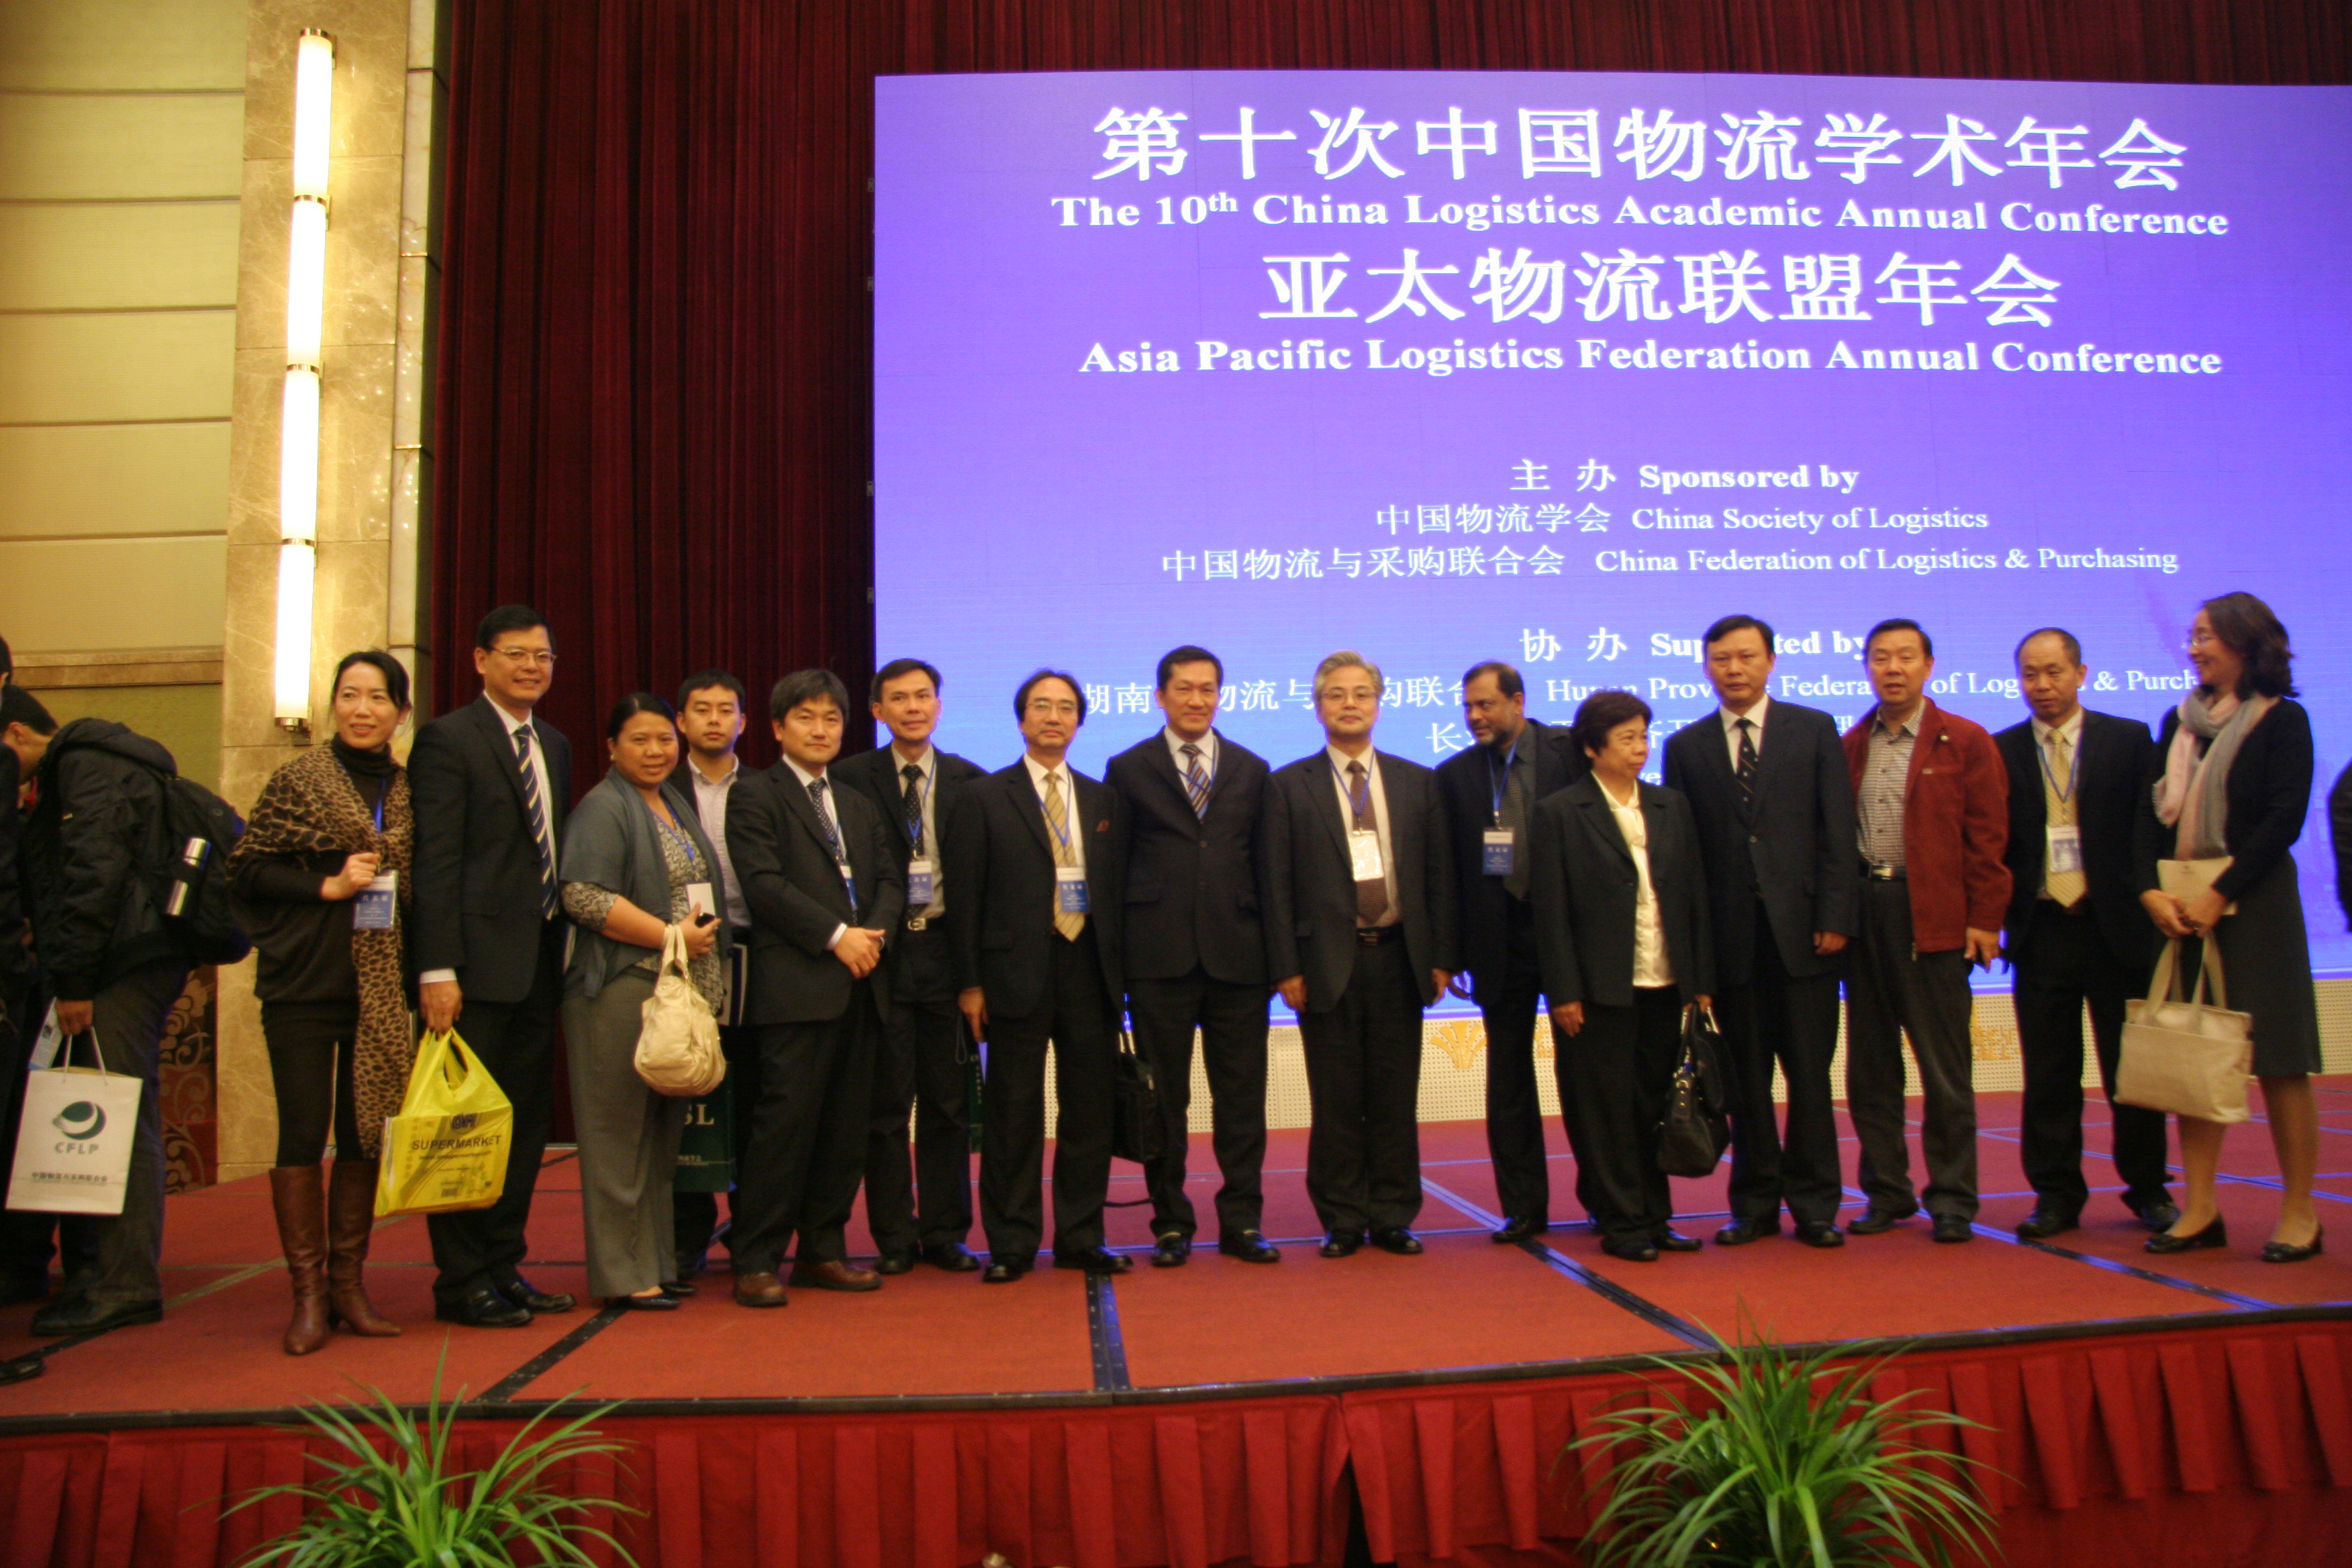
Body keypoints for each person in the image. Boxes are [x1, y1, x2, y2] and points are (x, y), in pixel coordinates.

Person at [226, 651, 417, 1353]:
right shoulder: (299, 780)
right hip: (303, 983)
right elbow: (247, 869)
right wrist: (327, 885)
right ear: (333, 703)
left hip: (377, 990)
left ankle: (348, 1287)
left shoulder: (410, 792)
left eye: (378, 697)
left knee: (365, 1135)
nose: (362, 710)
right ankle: (307, 1295)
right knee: (303, 1132)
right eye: (349, 695)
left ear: (402, 712)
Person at [1661, 617, 1856, 1250]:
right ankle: (1754, 1205)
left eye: (1746, 656)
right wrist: (1696, 958)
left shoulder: (1814, 729)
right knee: (1745, 1085)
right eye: (1722, 659)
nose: (1734, 669)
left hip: (1806, 939)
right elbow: (1684, 860)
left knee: (1810, 1080)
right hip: (1732, 946)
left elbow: (1837, 829)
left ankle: (1816, 1206)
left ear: (1771, 661)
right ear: (1706, 666)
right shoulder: (1687, 747)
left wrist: (1835, 916)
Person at [2141, 593, 2324, 1261]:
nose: (2193, 648)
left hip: (2257, 905)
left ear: (2246, 643)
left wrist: (2223, 892)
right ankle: (2199, 1208)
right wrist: (2149, 891)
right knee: (2193, 1056)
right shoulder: (2178, 722)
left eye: (2206, 636)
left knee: (2280, 1059)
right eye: (2191, 636)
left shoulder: (2283, 720)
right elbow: (2148, 816)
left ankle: (2300, 1211)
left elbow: (2284, 818)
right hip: (2183, 908)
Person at [407, 605, 577, 1328]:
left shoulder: (554, 744)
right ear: (480, 660)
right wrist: (436, 968)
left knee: (524, 1128)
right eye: (517, 654)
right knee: (465, 1127)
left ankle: (504, 1264)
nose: (532, 666)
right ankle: (461, 1279)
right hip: (472, 972)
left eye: (543, 656)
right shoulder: (448, 739)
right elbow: (435, 862)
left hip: (539, 964)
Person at [14, 699, 202, 1334]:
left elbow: (93, 875)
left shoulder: (84, 767)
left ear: (16, 733)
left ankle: (126, 1285)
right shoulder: (112, 758)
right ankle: (111, 1277)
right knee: (123, 1114)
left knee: (117, 1121)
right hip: (140, 955)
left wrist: (74, 979)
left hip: (122, 961)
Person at [1262, 652, 1456, 1259]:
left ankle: (1394, 1215)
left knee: (1396, 1096)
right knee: (1337, 1098)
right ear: (1317, 707)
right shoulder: (1287, 786)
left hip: (1400, 957)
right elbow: (1275, 885)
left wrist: (1442, 957)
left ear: (1378, 703)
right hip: (1325, 963)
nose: (1350, 704)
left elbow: (1439, 876)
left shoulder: (1418, 781)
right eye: (1336, 694)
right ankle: (1342, 1218)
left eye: (1362, 693)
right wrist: (1286, 967)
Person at [726, 671, 903, 1306]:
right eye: (806, 717)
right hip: (797, 986)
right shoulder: (754, 794)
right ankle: (756, 1258)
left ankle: (823, 1251)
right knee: (784, 1127)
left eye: (832, 719)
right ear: (778, 728)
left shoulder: (855, 801)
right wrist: (836, 937)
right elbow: (763, 884)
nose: (821, 730)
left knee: (844, 1129)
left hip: (862, 982)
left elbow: (889, 880)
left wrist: (870, 938)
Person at [945, 671, 1129, 1281]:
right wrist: (970, 983)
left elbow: (1117, 893)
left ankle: (1081, 1236)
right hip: (1011, 973)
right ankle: (1012, 1243)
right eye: (1041, 707)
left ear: (1079, 721)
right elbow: (965, 898)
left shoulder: (1103, 799)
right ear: (1022, 719)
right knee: (1012, 1114)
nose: (1054, 717)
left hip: (1088, 969)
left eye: (1066, 708)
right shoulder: (982, 797)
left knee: (1089, 1114)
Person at [1998, 630, 2175, 1240]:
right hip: (2042, 929)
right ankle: (2055, 1195)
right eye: (2030, 674)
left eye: (2053, 672)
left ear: (2081, 673)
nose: (2042, 685)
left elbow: (2149, 831)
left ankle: (2148, 1189)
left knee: (2132, 1071)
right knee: (2050, 1073)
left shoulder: (2129, 740)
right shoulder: (2003, 749)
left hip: (2116, 928)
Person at [1106, 646, 1280, 1267]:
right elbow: (1113, 869)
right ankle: (1171, 1224)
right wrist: (1116, 969)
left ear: (1220, 696)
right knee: (1163, 1103)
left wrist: (1280, 960)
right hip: (1159, 959)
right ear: (1161, 696)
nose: (1197, 699)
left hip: (1240, 957)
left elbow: (1269, 870)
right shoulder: (1128, 768)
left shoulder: (1252, 769)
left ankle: (1243, 1223)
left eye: (1208, 689)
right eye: (1184, 688)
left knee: (1242, 1100)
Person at [557, 694, 729, 1309]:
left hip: (667, 989)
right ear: (611, 747)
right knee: (617, 1142)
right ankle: (623, 1275)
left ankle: (655, 1261)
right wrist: (668, 936)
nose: (655, 751)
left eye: (664, 739)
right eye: (639, 740)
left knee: (658, 1143)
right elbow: (583, 896)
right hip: (617, 989)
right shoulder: (603, 807)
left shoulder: (669, 802)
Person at [1841, 620, 2010, 1244]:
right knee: (1871, 1070)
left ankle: (1953, 1198)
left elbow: (1989, 838)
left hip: (1934, 916)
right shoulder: (1850, 744)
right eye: (1881, 658)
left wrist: (1985, 919)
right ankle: (1886, 1192)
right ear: (1867, 667)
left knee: (1944, 1070)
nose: (1893, 669)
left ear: (1929, 666)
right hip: (1866, 914)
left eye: (1906, 657)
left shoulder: (1964, 740)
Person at [1532, 690, 1715, 1263]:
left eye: (1643, 736)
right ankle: (1621, 1221)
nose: (1640, 748)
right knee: (1605, 1110)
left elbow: (1693, 896)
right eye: (1626, 738)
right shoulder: (1561, 812)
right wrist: (1564, 991)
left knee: (1654, 1106)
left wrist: (1699, 980)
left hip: (1664, 980)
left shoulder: (1669, 806)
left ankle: (1656, 1218)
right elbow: (1551, 912)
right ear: (1592, 747)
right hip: (1597, 989)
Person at [834, 658, 987, 1273]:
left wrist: (976, 977)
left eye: (923, 696)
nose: (913, 708)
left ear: (939, 706)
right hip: (883, 956)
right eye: (899, 698)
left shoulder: (971, 781)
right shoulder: (849, 778)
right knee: (887, 1106)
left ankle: (946, 1233)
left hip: (947, 954)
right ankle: (895, 1238)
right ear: (878, 711)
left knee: (949, 1105)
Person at [1436, 660, 1594, 1242]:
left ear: (1518, 702)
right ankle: (1524, 1208)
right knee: (1508, 1080)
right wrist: (1451, 952)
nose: (1475, 716)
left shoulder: (1570, 751)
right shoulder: (1455, 775)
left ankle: (1606, 1198)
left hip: (1570, 936)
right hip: (1498, 942)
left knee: (1586, 1075)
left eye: (1486, 705)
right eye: (1468, 707)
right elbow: (1449, 872)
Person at [667, 670, 758, 1283]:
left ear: (743, 722)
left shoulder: (767, 788)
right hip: (685, 953)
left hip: (758, 952)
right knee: (689, 1095)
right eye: (702, 709)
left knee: (753, 1093)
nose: (715, 720)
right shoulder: (660, 786)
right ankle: (686, 1234)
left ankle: (752, 1231)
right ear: (681, 721)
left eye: (726, 710)